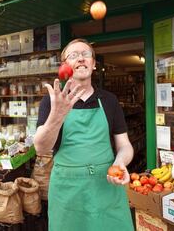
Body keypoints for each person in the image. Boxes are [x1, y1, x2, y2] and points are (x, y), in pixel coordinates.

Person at [34, 38, 134, 231]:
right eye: (73, 55)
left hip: (106, 185)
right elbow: (41, 147)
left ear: (94, 64)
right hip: (67, 190)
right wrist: (57, 116)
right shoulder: (52, 101)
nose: (80, 58)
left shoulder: (109, 100)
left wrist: (119, 163)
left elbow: (124, 145)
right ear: (66, 66)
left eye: (85, 54)